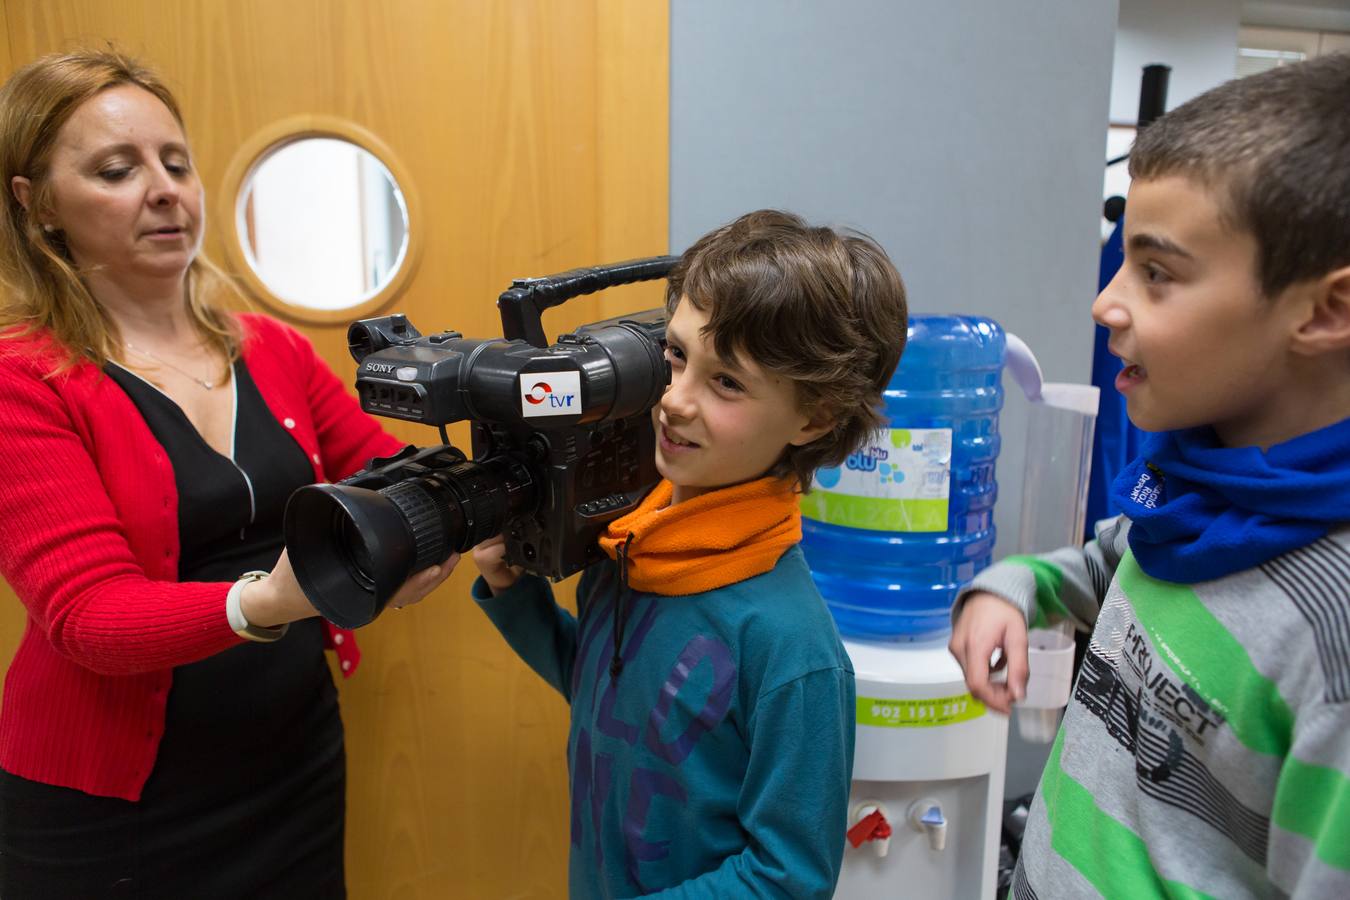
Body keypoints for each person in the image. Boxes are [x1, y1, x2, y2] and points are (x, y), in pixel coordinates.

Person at [0, 49, 454, 897]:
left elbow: (382, 468)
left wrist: (458, 508)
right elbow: (87, 613)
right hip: (114, 813)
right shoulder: (20, 379)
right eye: (116, 169)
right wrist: (272, 600)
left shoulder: (269, 346)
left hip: (291, 765)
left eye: (176, 163)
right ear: (39, 206)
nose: (166, 189)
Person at [949, 53, 1350, 898]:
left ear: (1325, 311)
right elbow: (1107, 563)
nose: (1107, 303)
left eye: (1157, 273)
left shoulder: (1331, 635)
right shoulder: (1199, 487)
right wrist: (1011, 587)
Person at [471, 209, 908, 897]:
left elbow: (787, 878)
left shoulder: (793, 652)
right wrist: (511, 592)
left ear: (815, 417)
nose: (673, 401)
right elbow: (610, 699)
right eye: (676, 357)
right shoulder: (633, 548)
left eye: (726, 382)